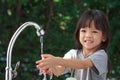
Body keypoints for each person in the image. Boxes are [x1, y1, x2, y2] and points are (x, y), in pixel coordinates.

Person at [36, 10, 111, 80]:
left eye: (94, 32)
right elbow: (59, 70)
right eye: (83, 31)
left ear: (104, 37)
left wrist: (55, 60)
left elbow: (82, 64)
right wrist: (50, 67)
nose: (88, 35)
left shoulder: (101, 55)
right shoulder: (73, 54)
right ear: (78, 33)